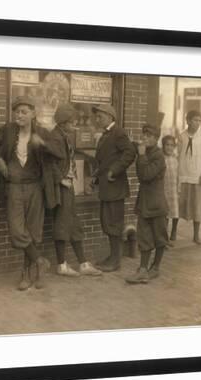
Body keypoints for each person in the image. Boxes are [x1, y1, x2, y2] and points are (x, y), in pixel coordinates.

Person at [0, 95, 64, 290]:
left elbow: (60, 153)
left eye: (23, 112)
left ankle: (29, 274)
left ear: (33, 114)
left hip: (35, 187)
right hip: (14, 186)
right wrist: (0, 161)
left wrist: (43, 145)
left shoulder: (42, 133)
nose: (19, 115)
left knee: (34, 231)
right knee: (16, 230)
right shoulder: (8, 130)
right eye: (16, 111)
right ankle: (39, 261)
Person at [49, 104, 102, 277]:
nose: (75, 126)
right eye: (72, 122)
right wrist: (60, 179)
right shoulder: (55, 137)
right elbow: (48, 162)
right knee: (63, 223)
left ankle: (82, 263)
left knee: (73, 223)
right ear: (63, 123)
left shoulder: (64, 136)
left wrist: (87, 156)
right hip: (61, 188)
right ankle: (62, 265)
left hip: (68, 186)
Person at [92, 104, 136, 272]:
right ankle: (112, 256)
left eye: (100, 116)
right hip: (106, 187)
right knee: (107, 222)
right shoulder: (106, 134)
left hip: (115, 188)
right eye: (97, 117)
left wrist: (114, 171)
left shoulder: (118, 132)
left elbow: (130, 153)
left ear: (110, 117)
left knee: (114, 223)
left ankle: (115, 260)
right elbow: (104, 160)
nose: (97, 119)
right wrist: (95, 178)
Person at [126, 124, 169, 284]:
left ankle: (155, 268)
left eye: (149, 135)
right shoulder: (146, 152)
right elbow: (140, 173)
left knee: (159, 237)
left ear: (156, 138)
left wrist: (142, 155)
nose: (144, 138)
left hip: (157, 205)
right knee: (144, 237)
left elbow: (145, 175)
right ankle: (143, 269)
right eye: (144, 134)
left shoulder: (158, 156)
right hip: (145, 203)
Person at [178, 110, 201, 244]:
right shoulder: (182, 136)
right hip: (183, 174)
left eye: (199, 120)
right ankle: (172, 233)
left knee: (197, 205)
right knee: (179, 203)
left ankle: (196, 235)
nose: (197, 123)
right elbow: (178, 155)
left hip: (197, 175)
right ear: (188, 121)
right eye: (195, 120)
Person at [162, 135, 179, 245]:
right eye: (167, 145)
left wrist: (179, 187)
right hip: (164, 189)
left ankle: (174, 231)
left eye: (172, 145)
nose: (169, 147)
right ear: (163, 146)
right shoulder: (161, 158)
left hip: (174, 189)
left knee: (175, 212)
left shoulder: (175, 158)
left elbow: (178, 174)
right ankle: (165, 238)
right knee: (166, 214)